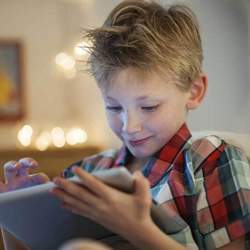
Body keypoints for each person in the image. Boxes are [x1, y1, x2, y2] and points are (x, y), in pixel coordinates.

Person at [1, 0, 250, 249]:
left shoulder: (211, 161)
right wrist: (13, 212)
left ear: (194, 91)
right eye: (114, 107)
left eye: (149, 107)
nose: (130, 127)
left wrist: (135, 227)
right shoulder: (86, 173)